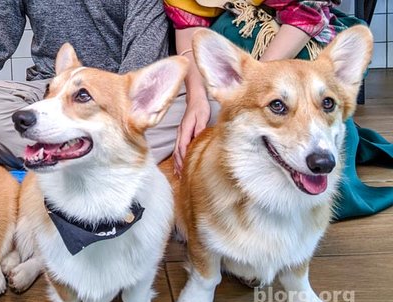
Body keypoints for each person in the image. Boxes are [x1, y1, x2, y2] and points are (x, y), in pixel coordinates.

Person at [164, 0, 393, 220]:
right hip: (235, 48)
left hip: (295, 40)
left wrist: (259, 79)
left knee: (335, 191)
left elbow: (307, 11)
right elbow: (188, 26)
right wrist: (196, 99)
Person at [0, 0, 211, 169]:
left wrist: (100, 104)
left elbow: (143, 53)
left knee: (214, 113)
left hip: (125, 96)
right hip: (55, 90)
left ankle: (66, 157)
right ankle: (93, 158)